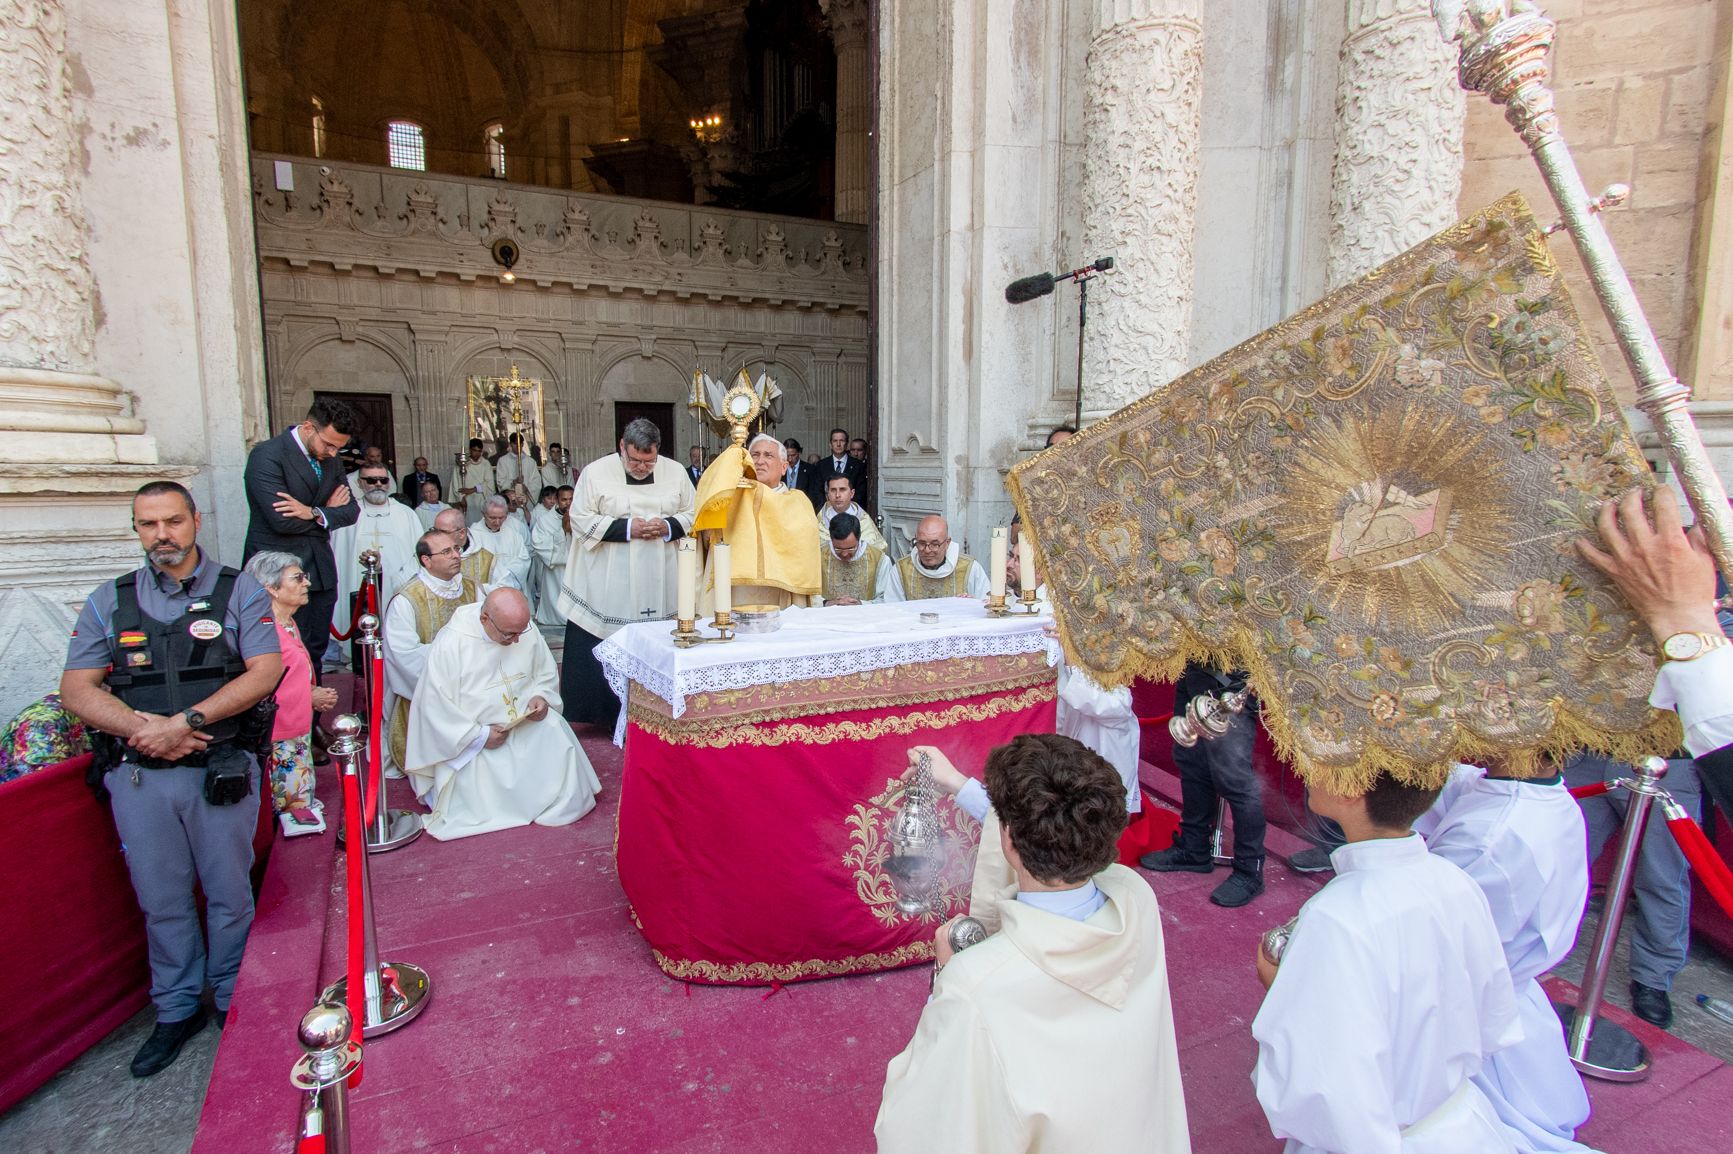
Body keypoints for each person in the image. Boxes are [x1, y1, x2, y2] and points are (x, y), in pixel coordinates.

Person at [59, 482, 284, 1078]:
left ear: (195, 521)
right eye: (147, 524)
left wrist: (186, 721)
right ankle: (177, 1008)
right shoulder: (109, 600)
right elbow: (76, 688)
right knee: (161, 901)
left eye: (173, 521)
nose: (162, 534)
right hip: (141, 777)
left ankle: (235, 1000)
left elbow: (265, 672)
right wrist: (146, 729)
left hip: (218, 769)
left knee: (229, 894)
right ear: (136, 529)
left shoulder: (240, 592)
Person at [875, 734, 1189, 1153]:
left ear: (1007, 840)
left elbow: (918, 1126)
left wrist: (945, 973)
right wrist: (961, 786)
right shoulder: (1137, 901)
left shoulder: (975, 985)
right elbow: (1053, 835)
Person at [1251, 771, 1522, 1153]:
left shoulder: (1336, 916)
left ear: (1353, 789)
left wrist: (1278, 987)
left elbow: (1324, 1089)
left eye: (1324, 761)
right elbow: (1493, 1020)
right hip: (1463, 1125)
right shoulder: (1455, 881)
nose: (1308, 771)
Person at [1411, 760, 1595, 1152]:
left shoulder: (1492, 837)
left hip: (1459, 1006)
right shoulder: (1527, 794)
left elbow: (1424, 942)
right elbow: (1456, 786)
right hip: (1500, 994)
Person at [404, 589, 601, 840]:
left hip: (524, 721)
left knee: (553, 728)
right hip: (474, 738)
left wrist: (541, 696)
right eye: (509, 634)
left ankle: (552, 801)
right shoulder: (451, 645)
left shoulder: (523, 629)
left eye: (521, 632)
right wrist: (479, 736)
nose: (517, 641)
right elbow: (435, 709)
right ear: (485, 619)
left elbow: (544, 672)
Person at [560, 419, 695, 729]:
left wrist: (668, 526)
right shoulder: (596, 473)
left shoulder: (675, 472)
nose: (641, 467)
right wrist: (628, 528)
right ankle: (605, 714)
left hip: (663, 573)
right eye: (634, 459)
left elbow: (692, 511)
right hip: (609, 577)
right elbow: (580, 517)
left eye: (649, 461)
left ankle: (661, 710)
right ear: (622, 446)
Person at [242, 396, 361, 680]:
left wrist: (311, 512)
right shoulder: (267, 455)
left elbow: (351, 511)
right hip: (277, 575)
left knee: (314, 652)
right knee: (280, 655)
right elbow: (281, 521)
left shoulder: (329, 460)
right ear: (308, 427)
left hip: (319, 570)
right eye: (328, 444)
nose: (333, 453)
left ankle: (312, 718)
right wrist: (326, 514)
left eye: (339, 448)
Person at [1139, 663, 1266, 906]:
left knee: (1235, 780)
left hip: (1232, 681)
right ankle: (1193, 848)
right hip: (1194, 669)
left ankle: (1249, 870)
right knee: (1191, 761)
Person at [246, 550, 338, 837]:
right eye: (297, 578)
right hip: (278, 733)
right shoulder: (263, 632)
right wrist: (309, 696)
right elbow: (261, 685)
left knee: (298, 794)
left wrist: (310, 689)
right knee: (285, 804)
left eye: (305, 576)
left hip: (297, 728)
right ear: (271, 588)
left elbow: (290, 674)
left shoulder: (288, 622)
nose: (307, 583)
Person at [382, 529, 479, 770]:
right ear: (426, 560)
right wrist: (452, 666)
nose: (456, 555)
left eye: (457, 549)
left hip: (473, 685)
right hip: (428, 692)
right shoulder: (407, 600)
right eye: (446, 552)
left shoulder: (472, 589)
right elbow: (403, 656)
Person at [694, 432, 820, 611]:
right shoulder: (730, 498)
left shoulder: (798, 502)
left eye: (768, 455)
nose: (760, 461)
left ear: (784, 467)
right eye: (755, 455)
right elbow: (708, 535)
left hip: (780, 592)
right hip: (734, 592)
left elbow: (805, 548)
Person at [330, 461, 424, 639]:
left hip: (396, 585)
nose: (379, 484)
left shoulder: (406, 514)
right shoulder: (348, 514)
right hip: (358, 587)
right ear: (359, 483)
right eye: (372, 480)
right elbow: (338, 557)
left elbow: (418, 555)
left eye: (383, 480)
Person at [885, 514, 990, 601]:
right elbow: (892, 610)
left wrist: (972, 604)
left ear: (947, 543)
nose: (927, 550)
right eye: (921, 543)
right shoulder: (901, 570)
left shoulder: (970, 569)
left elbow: (985, 606)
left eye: (934, 544)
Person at [434, 506, 516, 591]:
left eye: (442, 532)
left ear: (462, 533)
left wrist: (476, 591)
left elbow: (506, 586)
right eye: (434, 530)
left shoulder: (486, 557)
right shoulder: (433, 553)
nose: (436, 536)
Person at [819, 514, 893, 605]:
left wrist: (860, 603)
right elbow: (810, 597)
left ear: (859, 538)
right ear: (831, 539)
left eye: (850, 548)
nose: (844, 554)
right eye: (838, 549)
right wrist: (828, 603)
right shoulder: (819, 557)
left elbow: (888, 599)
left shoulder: (880, 560)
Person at [531, 483, 574, 625]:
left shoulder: (583, 517)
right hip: (556, 571)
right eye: (564, 500)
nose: (568, 503)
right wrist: (563, 531)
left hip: (577, 568)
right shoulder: (545, 521)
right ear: (556, 500)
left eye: (571, 499)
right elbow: (539, 543)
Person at [472, 495, 534, 592]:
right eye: (492, 518)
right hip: (486, 589)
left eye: (501, 518)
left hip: (511, 586)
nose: (497, 522)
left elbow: (524, 559)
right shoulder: (474, 535)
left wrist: (506, 578)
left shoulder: (513, 535)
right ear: (483, 514)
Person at [816, 473, 887, 553]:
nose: (837, 495)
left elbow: (878, 551)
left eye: (842, 489)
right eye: (833, 490)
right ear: (828, 494)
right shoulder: (818, 523)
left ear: (852, 493)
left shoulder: (864, 521)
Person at [818, 427, 868, 496]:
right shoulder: (821, 465)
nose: (838, 444)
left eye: (841, 441)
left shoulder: (858, 465)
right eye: (835, 441)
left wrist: (847, 506)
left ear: (847, 444)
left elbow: (861, 491)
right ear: (830, 445)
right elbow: (817, 492)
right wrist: (828, 506)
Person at [455, 438, 496, 523]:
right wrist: (460, 498)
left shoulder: (486, 464)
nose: (477, 453)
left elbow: (490, 484)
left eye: (479, 451)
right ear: (470, 450)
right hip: (466, 501)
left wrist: (473, 489)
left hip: (481, 499)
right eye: (475, 450)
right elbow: (456, 483)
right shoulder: (462, 464)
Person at [782, 437, 819, 511]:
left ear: (799, 453)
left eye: (793, 455)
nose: (789, 459)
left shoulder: (810, 469)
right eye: (787, 455)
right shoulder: (779, 469)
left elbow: (813, 493)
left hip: (803, 509)